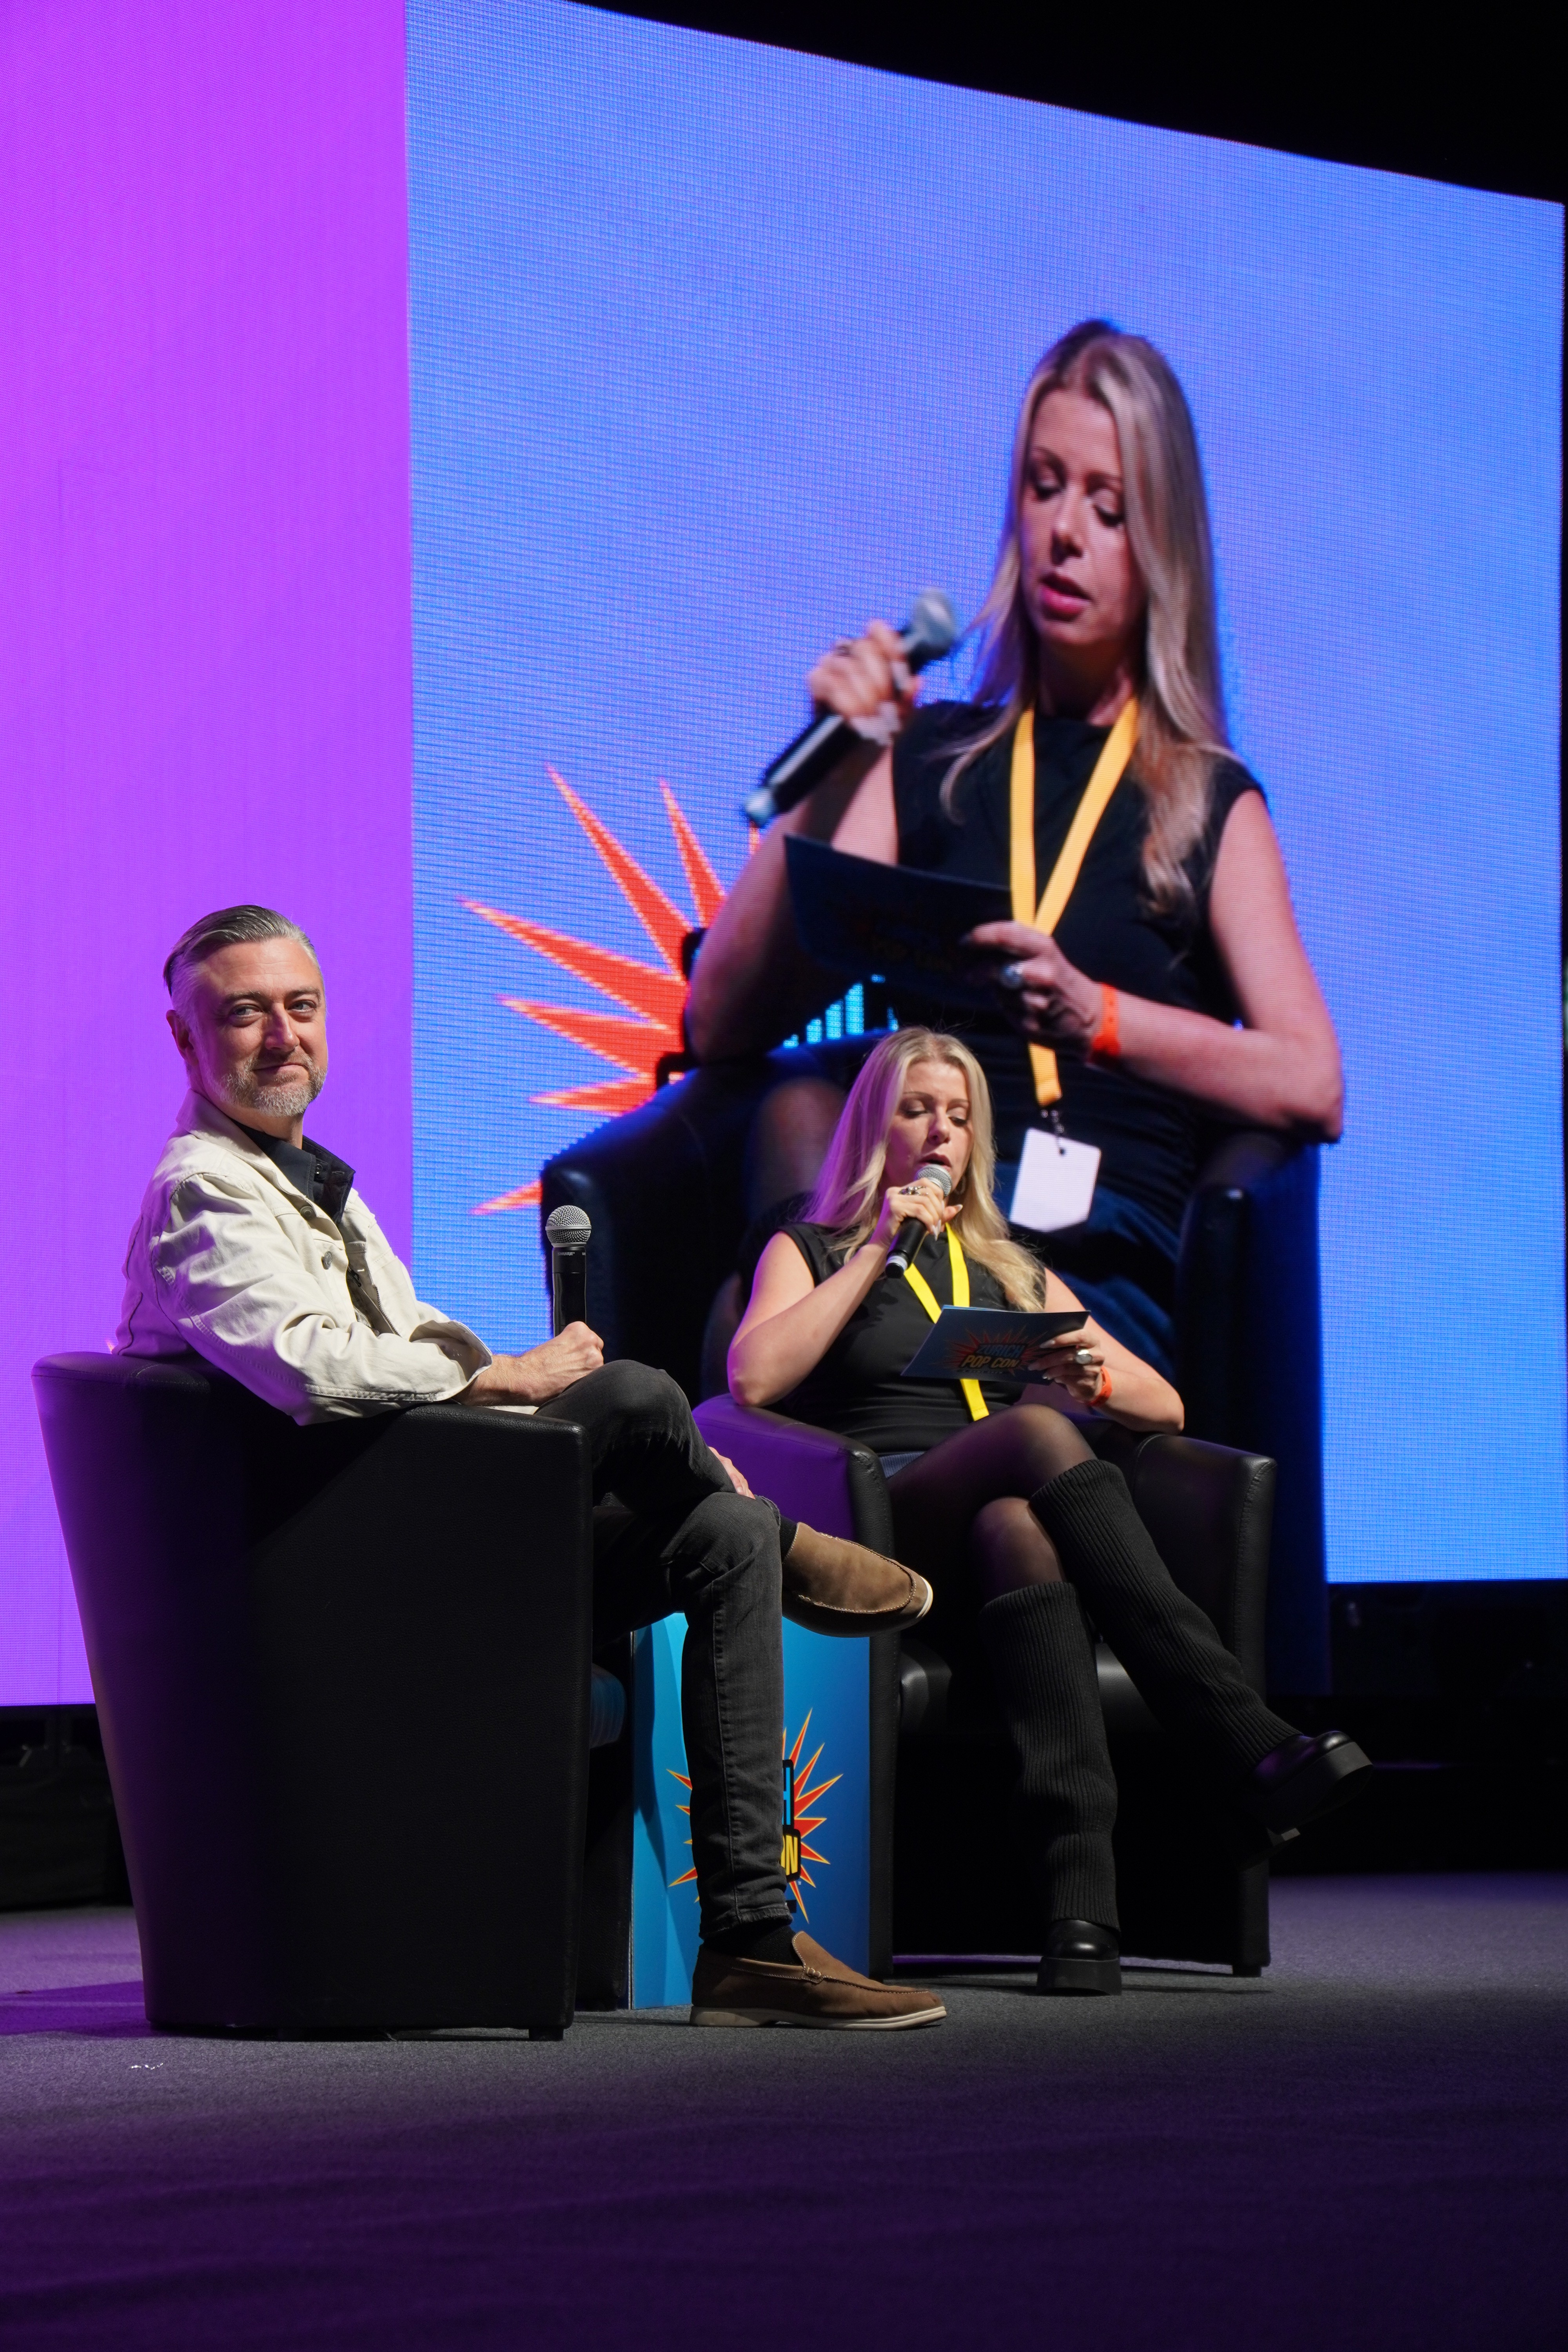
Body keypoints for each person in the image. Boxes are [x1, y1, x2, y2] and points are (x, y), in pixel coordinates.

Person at [117, 904, 944, 2032]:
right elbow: (313, 1370)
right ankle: (805, 1548)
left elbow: (408, 1340)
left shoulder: (321, 1186)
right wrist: (509, 1377)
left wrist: (515, 1376)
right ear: (185, 1040)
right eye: (244, 1015)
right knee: (646, 1393)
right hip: (321, 1581)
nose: (281, 1038)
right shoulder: (201, 1190)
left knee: (724, 1538)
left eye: (300, 1009)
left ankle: (751, 1944)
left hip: (403, 1535)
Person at [688, 319, 1343, 1376]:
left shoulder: (1206, 802)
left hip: (1092, 1265)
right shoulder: (931, 760)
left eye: (1109, 507)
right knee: (779, 1223)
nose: (1066, 532)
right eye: (1044, 487)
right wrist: (833, 776)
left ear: (1162, 541)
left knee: (797, 1353)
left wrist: (1102, 1019)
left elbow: (1312, 1080)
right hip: (920, 1234)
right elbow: (722, 1023)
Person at [728, 1027, 1369, 1994]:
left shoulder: (1006, 1265)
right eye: (916, 1110)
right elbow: (751, 1378)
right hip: (868, 1522)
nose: (939, 1132)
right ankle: (1234, 1731)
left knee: (1019, 1528)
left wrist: (1087, 1374)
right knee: (1032, 1441)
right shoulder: (809, 1245)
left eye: (957, 1115)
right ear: (874, 1126)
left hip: (974, 1533)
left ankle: (1080, 1909)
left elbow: (1167, 1405)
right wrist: (873, 1253)